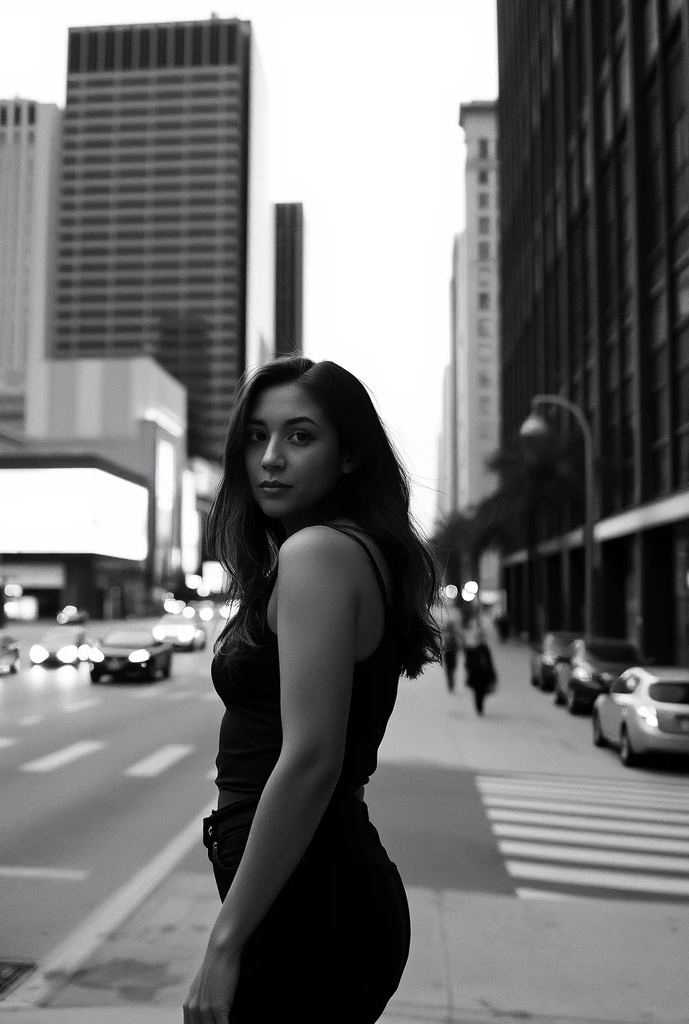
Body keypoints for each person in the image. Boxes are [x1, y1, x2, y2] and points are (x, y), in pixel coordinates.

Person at [185, 356, 441, 1023]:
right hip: (319, 892)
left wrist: (224, 941)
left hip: (313, 904)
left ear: (350, 454)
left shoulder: (317, 553)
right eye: (256, 436)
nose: (271, 457)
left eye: (300, 436)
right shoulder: (345, 550)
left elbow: (310, 759)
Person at [462, 606, 497, 715]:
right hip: (475, 672)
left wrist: (492, 672)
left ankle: (480, 707)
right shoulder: (472, 648)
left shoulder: (484, 648)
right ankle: (479, 707)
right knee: (477, 691)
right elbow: (468, 660)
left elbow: (489, 661)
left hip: (483, 673)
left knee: (480, 691)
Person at [436, 592, 465, 692]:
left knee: (451, 668)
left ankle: (451, 683)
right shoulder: (449, 632)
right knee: (451, 668)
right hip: (450, 651)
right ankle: (451, 683)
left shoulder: (449, 632)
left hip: (450, 651)